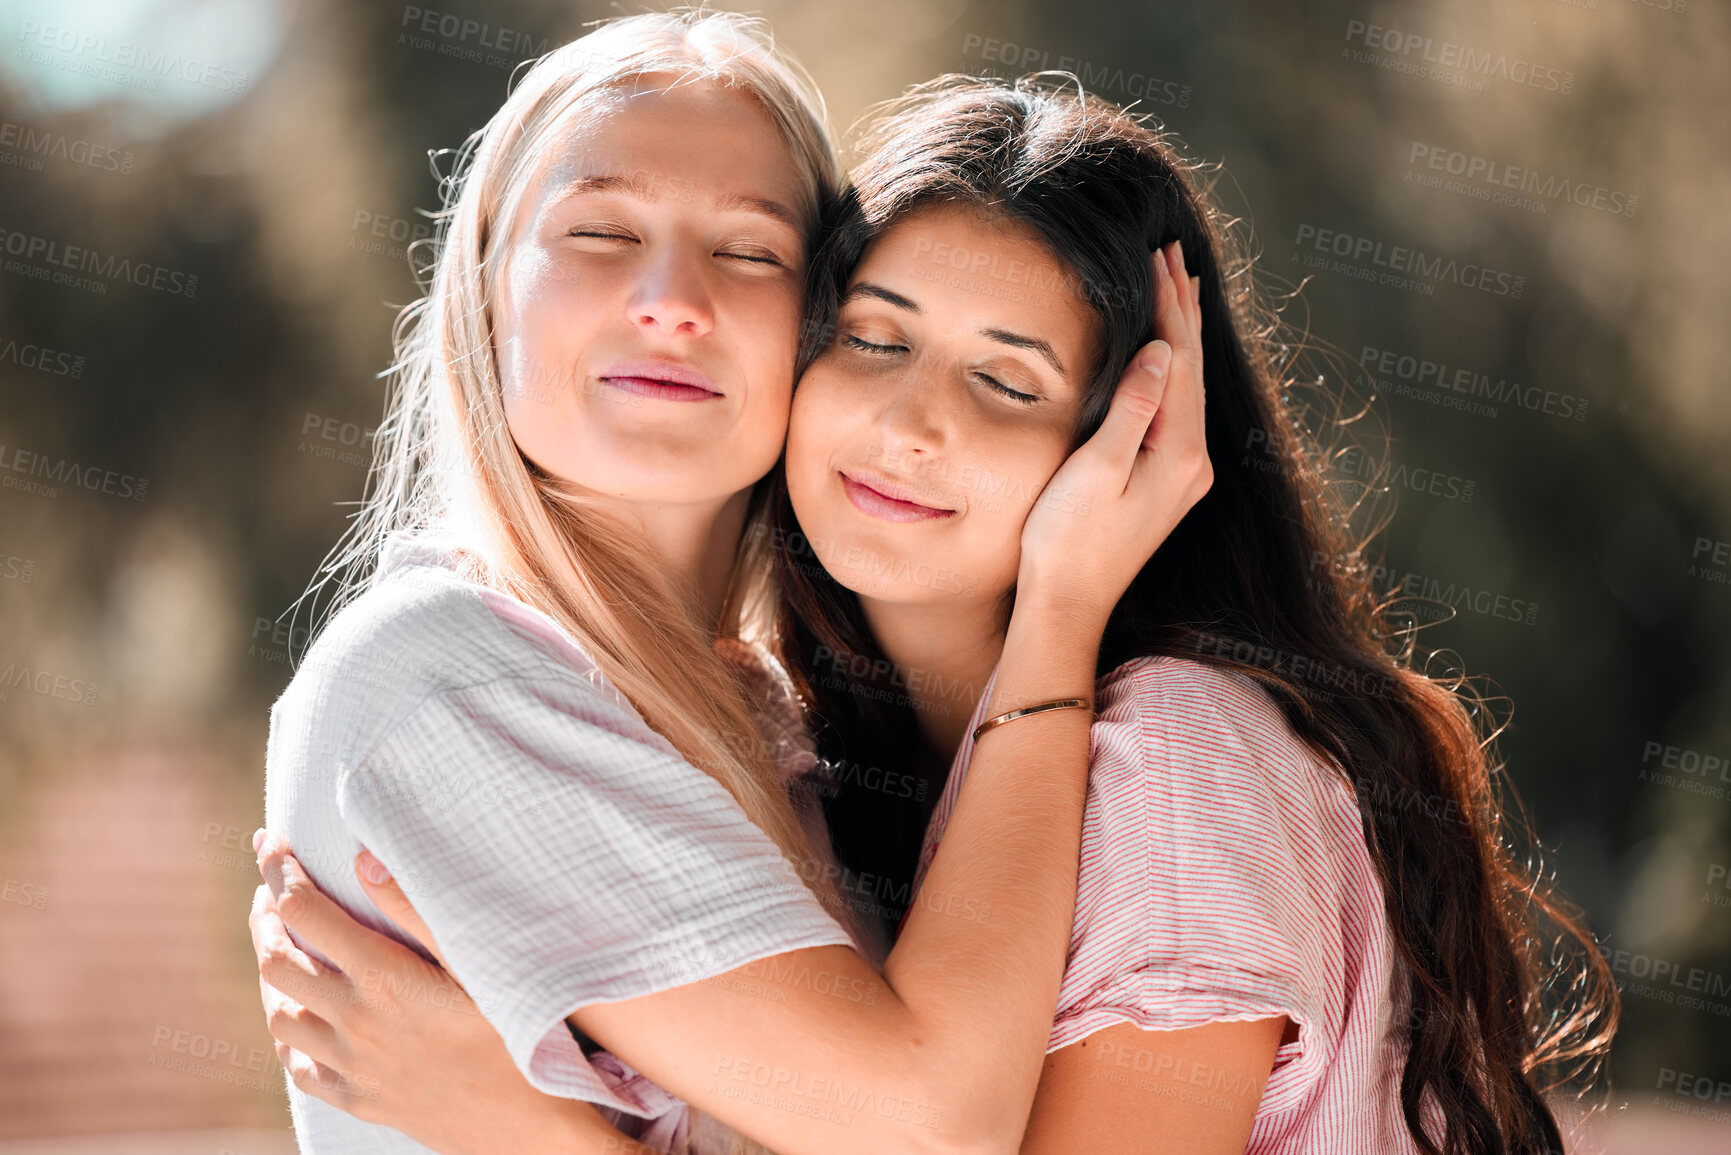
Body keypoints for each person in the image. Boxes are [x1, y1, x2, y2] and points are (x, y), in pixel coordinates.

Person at [256, 73, 1618, 1155]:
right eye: (876, 338)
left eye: (1008, 382)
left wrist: (528, 1137)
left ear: (1124, 441)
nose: (912, 424)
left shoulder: (1177, 760)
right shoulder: (817, 750)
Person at [253, 14, 1211, 1155]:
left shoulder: (773, 718)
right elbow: (934, 1124)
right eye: (601, 230)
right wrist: (1060, 609)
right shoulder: (440, 671)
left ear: (813, 328)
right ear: (486, 287)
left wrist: (543, 1136)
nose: (672, 300)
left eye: (751, 252)